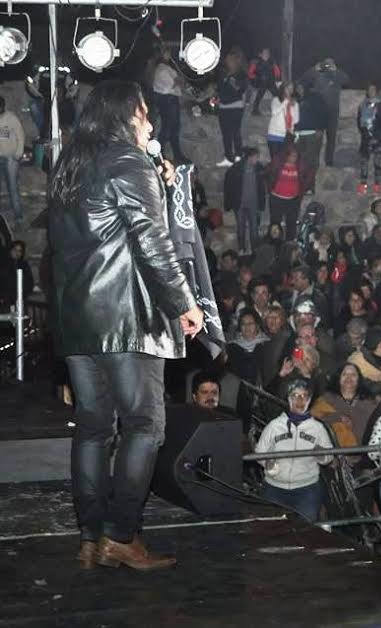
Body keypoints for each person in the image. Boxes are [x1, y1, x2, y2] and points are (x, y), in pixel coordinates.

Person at [48, 81, 204, 570]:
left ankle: (91, 537)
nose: (150, 124)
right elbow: (151, 237)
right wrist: (183, 301)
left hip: (78, 319)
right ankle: (122, 534)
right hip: (125, 318)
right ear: (123, 115)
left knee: (93, 429)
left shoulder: (69, 166)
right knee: (145, 426)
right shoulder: (128, 161)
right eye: (143, 114)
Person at [255, 379, 333, 522]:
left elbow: (329, 457)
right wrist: (268, 463)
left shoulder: (318, 428)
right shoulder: (274, 426)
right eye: (295, 395)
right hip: (274, 488)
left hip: (306, 489)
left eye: (304, 396)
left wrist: (321, 454)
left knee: (305, 531)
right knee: (272, 529)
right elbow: (259, 452)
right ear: (288, 399)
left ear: (309, 400)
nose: (299, 400)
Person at [266, 142, 315, 241]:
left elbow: (309, 175)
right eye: (291, 156)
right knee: (275, 224)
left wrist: (304, 188)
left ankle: (289, 245)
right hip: (277, 198)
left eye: (295, 156)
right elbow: (268, 173)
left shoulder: (300, 166)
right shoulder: (278, 164)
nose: (294, 158)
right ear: (286, 156)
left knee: (291, 224)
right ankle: (275, 244)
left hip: (293, 199)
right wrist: (270, 188)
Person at [223, 148, 266, 255]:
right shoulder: (236, 168)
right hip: (240, 203)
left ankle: (254, 249)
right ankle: (241, 249)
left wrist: (261, 204)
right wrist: (228, 203)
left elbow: (262, 188)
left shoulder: (259, 168)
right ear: (249, 157)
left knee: (254, 228)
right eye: (255, 157)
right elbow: (228, 186)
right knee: (241, 228)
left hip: (253, 203)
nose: (257, 159)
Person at [150, 46, 188, 163]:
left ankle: (177, 154)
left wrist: (179, 80)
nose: (169, 55)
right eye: (166, 52)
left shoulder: (165, 68)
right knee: (167, 127)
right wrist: (178, 80)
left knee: (174, 128)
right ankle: (157, 154)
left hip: (170, 99)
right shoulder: (161, 69)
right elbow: (171, 85)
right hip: (167, 100)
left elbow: (179, 82)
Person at [356, 85, 381, 196]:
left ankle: (377, 186)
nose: (371, 92)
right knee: (364, 163)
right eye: (369, 90)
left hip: (379, 137)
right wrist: (365, 134)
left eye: (373, 90)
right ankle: (363, 186)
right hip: (366, 137)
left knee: (377, 163)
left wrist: (377, 136)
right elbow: (359, 121)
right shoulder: (363, 105)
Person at [215, 50, 248, 168]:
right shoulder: (223, 73)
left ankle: (239, 157)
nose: (227, 62)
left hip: (235, 107)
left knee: (235, 133)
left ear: (235, 61)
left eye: (229, 60)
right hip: (223, 107)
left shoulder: (241, 74)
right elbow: (219, 88)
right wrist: (216, 98)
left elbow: (241, 90)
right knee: (226, 134)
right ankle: (229, 158)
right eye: (226, 60)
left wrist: (231, 79)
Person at [0, 95, 24, 225]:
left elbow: (20, 135)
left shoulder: (11, 118)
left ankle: (18, 215)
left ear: (3, 106)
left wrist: (18, 153)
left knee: (13, 187)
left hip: (11, 158)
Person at [266, 81, 299, 160]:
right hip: (274, 134)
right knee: (275, 161)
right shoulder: (276, 100)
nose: (290, 90)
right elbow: (274, 112)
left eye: (292, 89)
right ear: (283, 89)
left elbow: (296, 120)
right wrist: (285, 102)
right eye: (288, 88)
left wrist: (293, 107)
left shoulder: (295, 103)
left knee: (284, 161)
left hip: (287, 136)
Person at [248, 47, 282, 116]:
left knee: (278, 95)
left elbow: (277, 72)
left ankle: (283, 107)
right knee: (259, 96)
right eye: (265, 52)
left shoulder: (272, 61)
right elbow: (250, 73)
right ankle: (255, 110)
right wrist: (256, 78)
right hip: (261, 82)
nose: (266, 54)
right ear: (261, 54)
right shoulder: (256, 62)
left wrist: (277, 78)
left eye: (267, 53)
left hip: (270, 81)